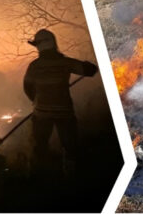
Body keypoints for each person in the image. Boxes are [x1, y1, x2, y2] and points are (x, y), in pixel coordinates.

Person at [23, 28, 98, 176]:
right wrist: (90, 65)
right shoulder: (65, 63)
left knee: (39, 145)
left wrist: (36, 101)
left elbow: (27, 87)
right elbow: (90, 71)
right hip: (64, 112)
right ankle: (71, 175)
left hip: (41, 113)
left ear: (40, 46)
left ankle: (38, 175)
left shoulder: (35, 66)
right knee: (70, 146)